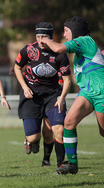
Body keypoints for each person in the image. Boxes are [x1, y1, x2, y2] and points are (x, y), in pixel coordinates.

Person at [40, 16, 104, 175]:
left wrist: (46, 40)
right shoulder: (81, 48)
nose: (64, 34)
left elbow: (59, 48)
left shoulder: (85, 40)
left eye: (67, 30)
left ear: (75, 31)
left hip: (101, 92)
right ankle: (72, 164)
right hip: (88, 92)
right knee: (68, 122)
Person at [13, 22, 71, 168]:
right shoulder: (29, 50)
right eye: (38, 36)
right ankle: (30, 141)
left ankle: (59, 164)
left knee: (57, 129)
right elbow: (17, 67)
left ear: (51, 37)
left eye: (44, 37)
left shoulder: (60, 54)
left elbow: (67, 79)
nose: (41, 40)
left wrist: (62, 98)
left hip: (53, 94)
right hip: (32, 95)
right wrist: (25, 87)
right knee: (34, 136)